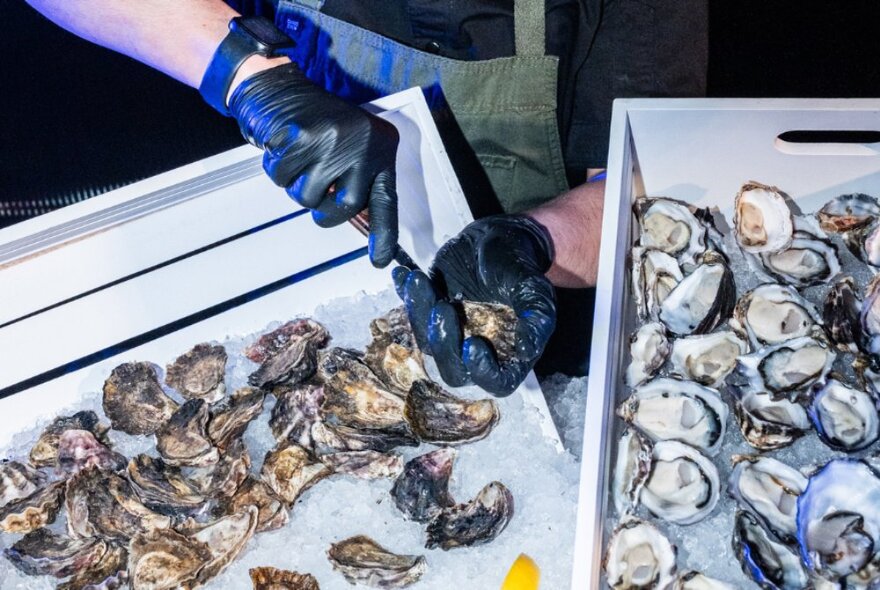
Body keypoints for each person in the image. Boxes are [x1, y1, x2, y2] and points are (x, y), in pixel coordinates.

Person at [26, 0, 707, 395]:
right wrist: (248, 78)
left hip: (503, 315)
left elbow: (637, 181)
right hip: (277, 271)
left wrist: (534, 243)